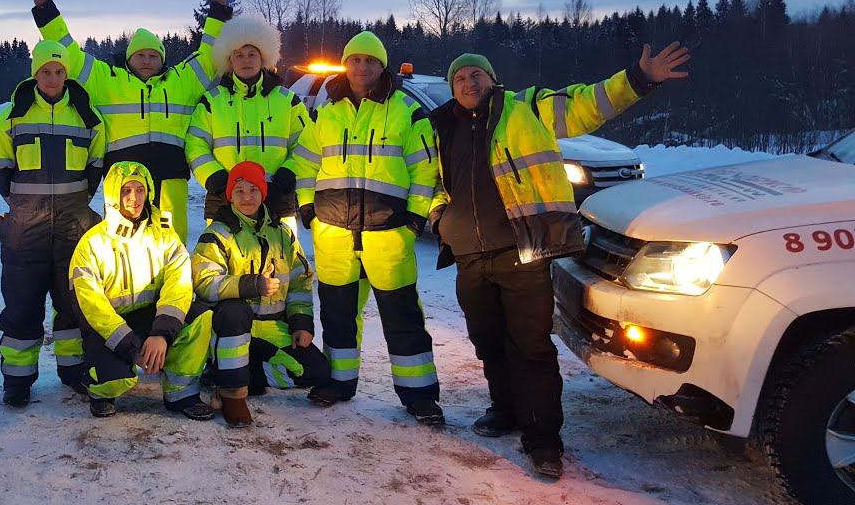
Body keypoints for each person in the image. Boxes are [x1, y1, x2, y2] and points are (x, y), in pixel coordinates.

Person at [429, 44, 691, 479]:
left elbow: (587, 105)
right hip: (470, 257)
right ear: (453, 87)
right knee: (488, 340)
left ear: (492, 80)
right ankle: (507, 410)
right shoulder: (441, 128)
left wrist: (639, 78)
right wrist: (440, 220)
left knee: (530, 345)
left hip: (523, 249)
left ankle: (543, 440)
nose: (469, 83)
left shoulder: (526, 109)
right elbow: (434, 182)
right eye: (460, 78)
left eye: (477, 74)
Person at [292, 31, 445, 425]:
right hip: (334, 234)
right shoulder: (326, 113)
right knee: (338, 315)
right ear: (346, 64)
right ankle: (339, 383)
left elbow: (424, 170)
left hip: (388, 234)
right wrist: (308, 208)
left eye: (370, 61)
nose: (362, 67)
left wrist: (414, 219)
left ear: (382, 66)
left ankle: (419, 395)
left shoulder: (405, 112)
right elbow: (305, 164)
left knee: (402, 316)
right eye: (355, 60)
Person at [31, 0, 232, 243]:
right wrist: (46, 9)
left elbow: (209, 55)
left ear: (162, 58)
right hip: (122, 184)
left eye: (153, 55)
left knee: (171, 246)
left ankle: (174, 286)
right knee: (122, 250)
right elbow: (71, 56)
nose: (147, 60)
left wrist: (218, 9)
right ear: (129, 58)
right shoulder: (108, 80)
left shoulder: (183, 80)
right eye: (140, 55)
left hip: (170, 184)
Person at [0, 40, 105, 407]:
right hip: (25, 229)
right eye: (45, 71)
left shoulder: (88, 116)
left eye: (59, 72)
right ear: (34, 73)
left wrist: (73, 204)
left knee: (73, 303)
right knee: (22, 306)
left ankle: (73, 372)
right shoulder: (12, 115)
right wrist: (21, 204)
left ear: (67, 74)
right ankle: (17, 381)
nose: (52, 78)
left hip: (73, 226)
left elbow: (96, 167)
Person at [69, 161, 215, 420]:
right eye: (126, 191)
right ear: (114, 194)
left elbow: (179, 284)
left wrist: (161, 333)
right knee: (113, 379)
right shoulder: (92, 243)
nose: (134, 198)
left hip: (151, 319)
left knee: (201, 316)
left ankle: (182, 392)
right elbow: (93, 307)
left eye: (140, 189)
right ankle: (100, 391)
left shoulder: (165, 236)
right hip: (112, 328)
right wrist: (130, 347)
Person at [191, 160, 327, 428]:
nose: (247, 198)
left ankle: (241, 372)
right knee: (233, 311)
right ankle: (232, 380)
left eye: (253, 190)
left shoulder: (283, 233)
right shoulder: (216, 233)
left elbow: (300, 283)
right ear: (230, 195)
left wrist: (301, 324)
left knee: (317, 371)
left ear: (263, 192)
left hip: (273, 327)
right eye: (239, 191)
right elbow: (204, 282)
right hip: (231, 328)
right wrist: (250, 285)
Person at [186, 14, 312, 227]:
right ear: (229, 60)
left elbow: (307, 142)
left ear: (263, 57)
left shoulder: (287, 101)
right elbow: (195, 143)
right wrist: (213, 176)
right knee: (220, 257)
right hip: (224, 198)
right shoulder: (212, 101)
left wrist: (290, 171)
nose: (246, 60)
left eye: (252, 54)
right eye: (239, 55)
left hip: (277, 197)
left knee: (282, 258)